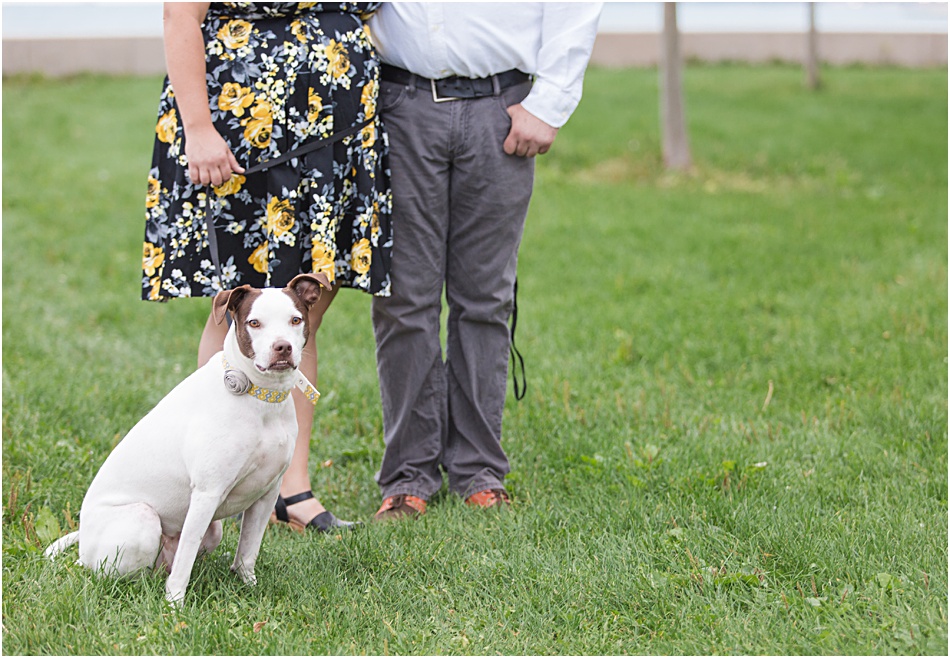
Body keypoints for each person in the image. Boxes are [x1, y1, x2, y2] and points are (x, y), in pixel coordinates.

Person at [142, 2, 392, 532]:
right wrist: (199, 127)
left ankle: (289, 487)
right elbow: (179, 16)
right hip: (243, 131)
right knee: (236, 314)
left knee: (302, 318)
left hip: (336, 136)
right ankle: (208, 480)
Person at [368, 3, 602, 520]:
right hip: (399, 105)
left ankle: (478, 468)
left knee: (485, 298)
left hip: (501, 106)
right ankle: (409, 473)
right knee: (403, 298)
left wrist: (551, 101)